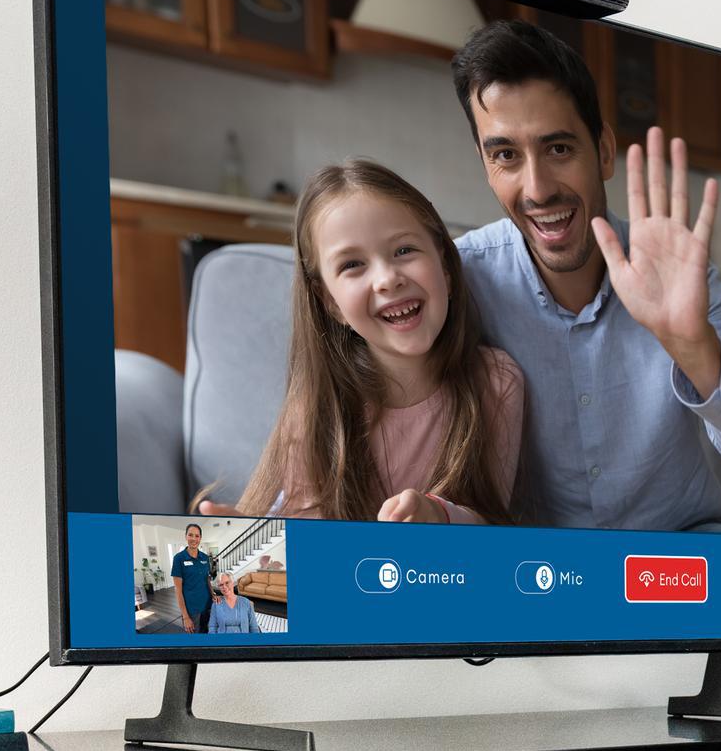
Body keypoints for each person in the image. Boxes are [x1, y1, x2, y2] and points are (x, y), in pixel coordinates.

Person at [446, 20, 721, 531]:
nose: (538, 188)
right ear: (484, 163)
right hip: (543, 584)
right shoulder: (461, 282)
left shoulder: (680, 275)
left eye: (559, 149)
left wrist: (693, 346)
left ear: (604, 152)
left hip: (678, 569)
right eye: (506, 156)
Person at [223, 160, 524, 525]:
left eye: (403, 251)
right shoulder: (316, 410)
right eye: (352, 265)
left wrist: (442, 517)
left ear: (444, 264)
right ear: (330, 302)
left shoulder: (496, 382)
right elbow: (313, 555)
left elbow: (496, 535)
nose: (386, 279)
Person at [169, 523, 214, 632]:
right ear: (186, 536)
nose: (194, 539)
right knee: (194, 638)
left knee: (207, 632)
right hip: (192, 610)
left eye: (197, 536)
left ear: (200, 538)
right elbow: (178, 590)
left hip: (207, 606)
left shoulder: (205, 557)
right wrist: (185, 616)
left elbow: (207, 579)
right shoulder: (178, 558)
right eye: (190, 535)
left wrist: (213, 594)